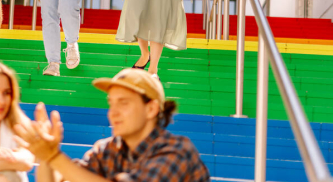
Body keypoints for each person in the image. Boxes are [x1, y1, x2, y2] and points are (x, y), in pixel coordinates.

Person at [14, 68, 210, 182]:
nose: (112, 112)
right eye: (111, 103)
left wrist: (53, 156)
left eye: (123, 102)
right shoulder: (107, 149)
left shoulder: (178, 151)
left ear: (151, 110)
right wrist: (47, 155)